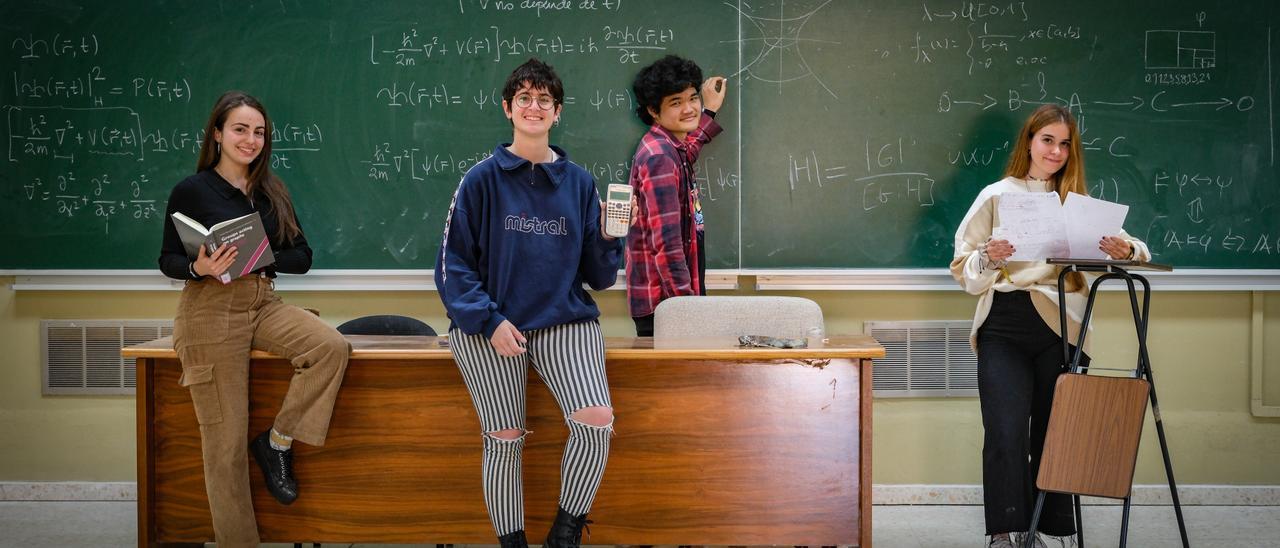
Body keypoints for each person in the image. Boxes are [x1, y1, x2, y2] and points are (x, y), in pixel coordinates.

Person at [434, 58, 624, 548]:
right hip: (492, 326)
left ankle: (565, 532)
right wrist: (487, 320)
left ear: (557, 112)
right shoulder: (480, 179)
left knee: (596, 422)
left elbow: (600, 278)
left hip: (564, 320)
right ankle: (513, 543)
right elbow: (452, 268)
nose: (533, 107)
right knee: (504, 438)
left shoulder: (580, 183)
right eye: (524, 98)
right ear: (508, 108)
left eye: (544, 100)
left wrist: (607, 236)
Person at [951, 103, 1151, 548]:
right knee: (1004, 430)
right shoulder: (996, 194)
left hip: (1063, 325)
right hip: (1005, 323)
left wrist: (1127, 251)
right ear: (1029, 142)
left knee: (1055, 433)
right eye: (1048, 140)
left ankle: (1049, 529)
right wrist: (990, 256)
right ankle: (1004, 532)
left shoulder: (1076, 202)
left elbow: (1135, 247)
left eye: (1065, 143)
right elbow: (963, 265)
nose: (1056, 151)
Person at [158, 91, 350, 547]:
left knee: (330, 347)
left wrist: (261, 255)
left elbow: (303, 257)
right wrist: (198, 267)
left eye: (259, 132)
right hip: (210, 307)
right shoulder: (192, 190)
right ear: (218, 134)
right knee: (224, 450)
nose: (251, 139)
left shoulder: (271, 191)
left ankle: (277, 442)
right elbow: (167, 257)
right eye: (240, 129)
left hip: (263, 300)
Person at [625, 55, 728, 336]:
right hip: (668, 305)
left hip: (672, 300)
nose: (689, 108)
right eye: (675, 102)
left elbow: (689, 149)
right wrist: (687, 308)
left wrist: (710, 111)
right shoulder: (660, 157)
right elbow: (667, 246)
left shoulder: (671, 147)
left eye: (693, 98)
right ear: (653, 111)